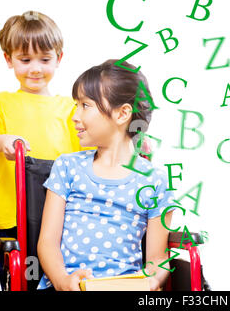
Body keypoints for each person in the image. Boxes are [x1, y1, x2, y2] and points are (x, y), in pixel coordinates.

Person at [37, 59, 175, 291]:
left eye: (85, 105)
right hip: (69, 284)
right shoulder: (67, 167)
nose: (75, 116)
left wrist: (150, 282)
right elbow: (47, 242)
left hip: (123, 287)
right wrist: (62, 280)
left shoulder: (156, 181)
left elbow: (157, 258)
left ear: (122, 114)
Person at [0, 11, 84, 290]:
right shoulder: (0, 103)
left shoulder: (70, 108)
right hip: (13, 210)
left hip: (61, 211)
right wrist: (4, 142)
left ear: (59, 58)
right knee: (22, 275)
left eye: (45, 59)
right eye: (25, 60)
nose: (35, 68)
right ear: (8, 59)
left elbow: (91, 142)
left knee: (57, 270)